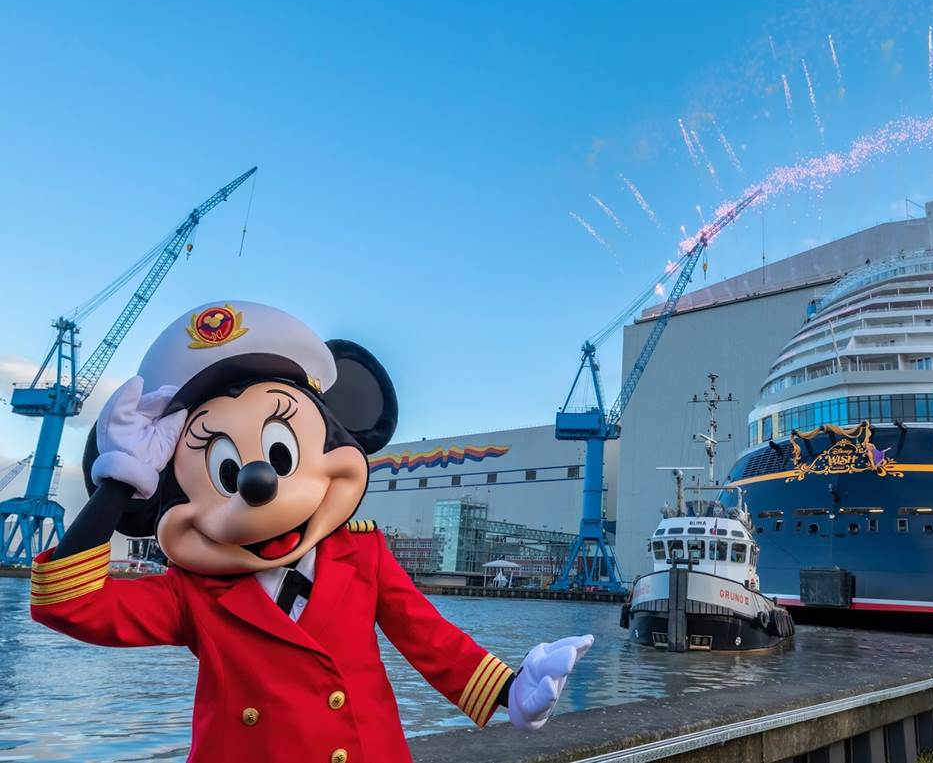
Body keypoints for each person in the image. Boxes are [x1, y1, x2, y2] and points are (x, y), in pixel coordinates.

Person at [29, 301, 593, 763]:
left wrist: (511, 689)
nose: (257, 480)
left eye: (279, 452)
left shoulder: (362, 554)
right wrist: (121, 482)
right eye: (226, 469)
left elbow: (429, 638)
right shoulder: (192, 592)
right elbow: (69, 604)